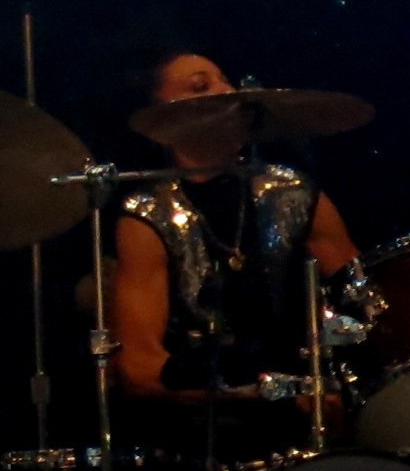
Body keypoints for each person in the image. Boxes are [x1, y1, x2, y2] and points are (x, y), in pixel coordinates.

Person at [109, 52, 358, 448]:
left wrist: (345, 376)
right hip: (206, 436)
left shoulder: (293, 193)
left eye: (225, 80)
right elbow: (139, 368)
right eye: (201, 86)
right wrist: (264, 392)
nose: (225, 92)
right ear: (161, 121)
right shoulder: (147, 216)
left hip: (309, 424)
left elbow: (363, 303)